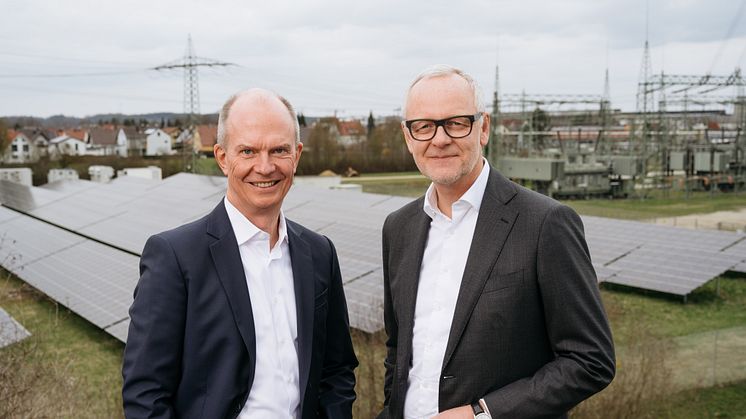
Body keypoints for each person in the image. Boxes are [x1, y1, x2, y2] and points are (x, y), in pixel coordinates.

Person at [379, 65, 615, 419]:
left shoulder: (544, 223)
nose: (439, 139)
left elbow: (590, 360)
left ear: (483, 127)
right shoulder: (398, 228)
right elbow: (399, 349)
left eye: (456, 123)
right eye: (424, 126)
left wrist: (481, 414)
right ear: (408, 136)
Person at [122, 88, 358, 418]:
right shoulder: (175, 257)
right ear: (222, 157)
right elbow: (145, 394)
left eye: (279, 150)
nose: (265, 167)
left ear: (297, 154)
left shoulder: (319, 253)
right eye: (248, 151)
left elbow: (337, 371)